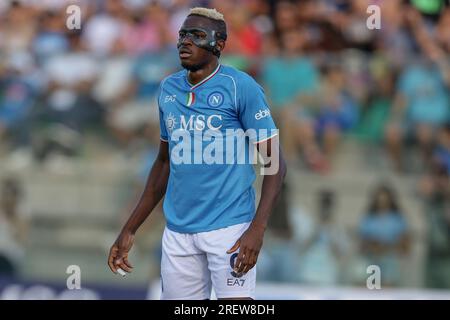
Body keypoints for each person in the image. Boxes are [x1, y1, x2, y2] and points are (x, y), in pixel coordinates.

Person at [107, 7, 287, 300]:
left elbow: (276, 163)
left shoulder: (240, 87)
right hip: (178, 232)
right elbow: (164, 162)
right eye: (182, 35)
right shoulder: (168, 89)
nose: (185, 42)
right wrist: (130, 228)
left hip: (230, 228)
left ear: (219, 44)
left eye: (197, 35)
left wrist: (257, 228)